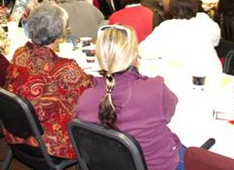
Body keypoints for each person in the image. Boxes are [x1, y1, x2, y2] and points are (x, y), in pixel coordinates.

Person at [76, 25, 184, 170]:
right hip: (159, 165)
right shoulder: (154, 89)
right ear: (134, 54)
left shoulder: (85, 100)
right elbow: (170, 112)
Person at [4, 3, 92, 159]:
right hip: (51, 144)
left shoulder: (19, 54)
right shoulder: (66, 68)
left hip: (16, 134)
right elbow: (90, 96)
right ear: (60, 34)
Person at [140, 0, 221, 78]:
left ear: (171, 8)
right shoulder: (204, 20)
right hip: (213, 75)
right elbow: (216, 41)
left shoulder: (166, 28)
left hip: (183, 80)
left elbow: (142, 51)